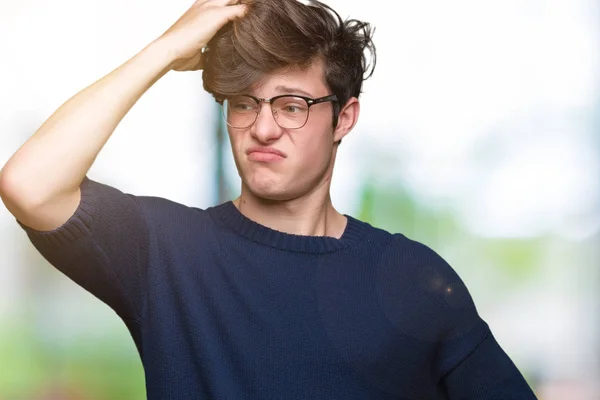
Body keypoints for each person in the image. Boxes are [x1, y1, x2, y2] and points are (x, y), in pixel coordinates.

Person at [0, 0, 538, 398]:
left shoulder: (413, 277)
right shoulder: (166, 251)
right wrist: (164, 50)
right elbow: (31, 184)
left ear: (343, 118)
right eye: (243, 103)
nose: (262, 128)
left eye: (291, 105)